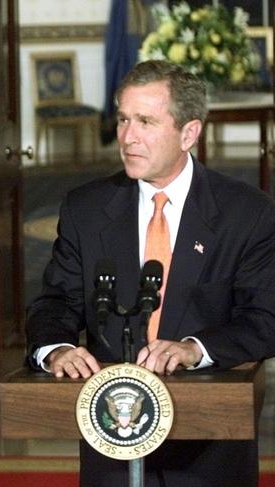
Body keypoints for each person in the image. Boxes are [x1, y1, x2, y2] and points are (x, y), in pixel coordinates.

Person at [25, 60, 275, 487]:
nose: (127, 137)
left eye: (145, 121)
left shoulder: (246, 213)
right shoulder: (85, 209)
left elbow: (265, 318)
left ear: (189, 133)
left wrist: (196, 349)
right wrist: (56, 348)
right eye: (123, 119)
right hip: (112, 442)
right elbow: (56, 302)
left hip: (209, 446)